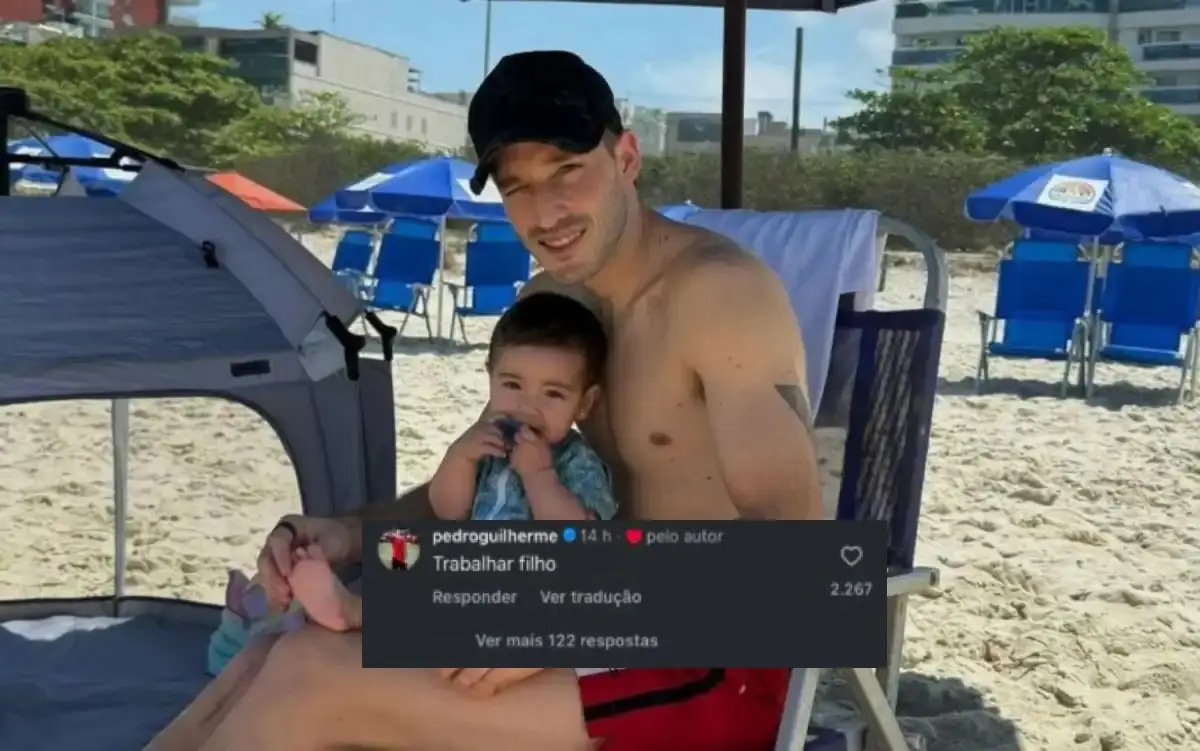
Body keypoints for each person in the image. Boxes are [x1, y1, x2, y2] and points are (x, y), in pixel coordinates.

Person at [145, 49, 822, 751]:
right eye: (517, 186)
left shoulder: (717, 296)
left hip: (708, 665)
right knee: (274, 649)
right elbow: (486, 492)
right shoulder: (550, 307)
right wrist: (347, 532)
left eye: (568, 172)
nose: (547, 211)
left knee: (314, 677)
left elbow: (801, 563)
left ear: (626, 157)